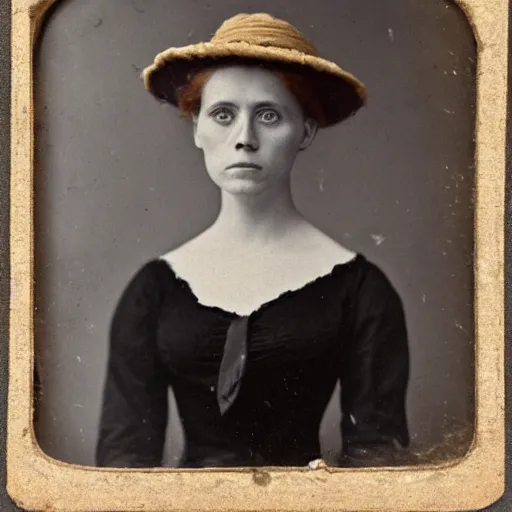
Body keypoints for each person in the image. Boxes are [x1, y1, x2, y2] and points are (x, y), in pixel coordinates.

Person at [95, 12, 410, 469]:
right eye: (223, 115)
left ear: (304, 131)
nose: (244, 139)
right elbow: (120, 465)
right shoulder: (155, 289)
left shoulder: (360, 289)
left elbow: (379, 460)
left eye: (269, 115)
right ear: (198, 129)